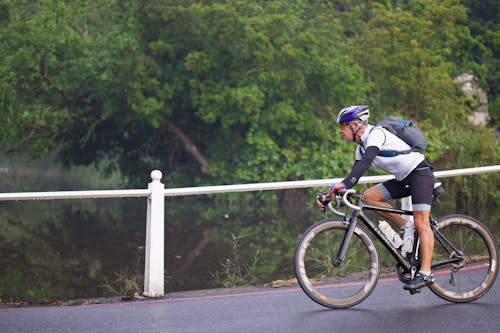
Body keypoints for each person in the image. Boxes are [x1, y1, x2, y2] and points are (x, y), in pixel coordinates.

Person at [317, 105, 435, 292]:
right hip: (403, 179)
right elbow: (354, 175)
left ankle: (426, 273)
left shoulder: (375, 134)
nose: (341, 132)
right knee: (368, 198)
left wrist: (343, 185)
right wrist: (329, 195)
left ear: (355, 125)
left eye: (343, 127)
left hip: (420, 174)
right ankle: (406, 226)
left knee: (422, 222)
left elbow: (364, 165)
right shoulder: (360, 149)